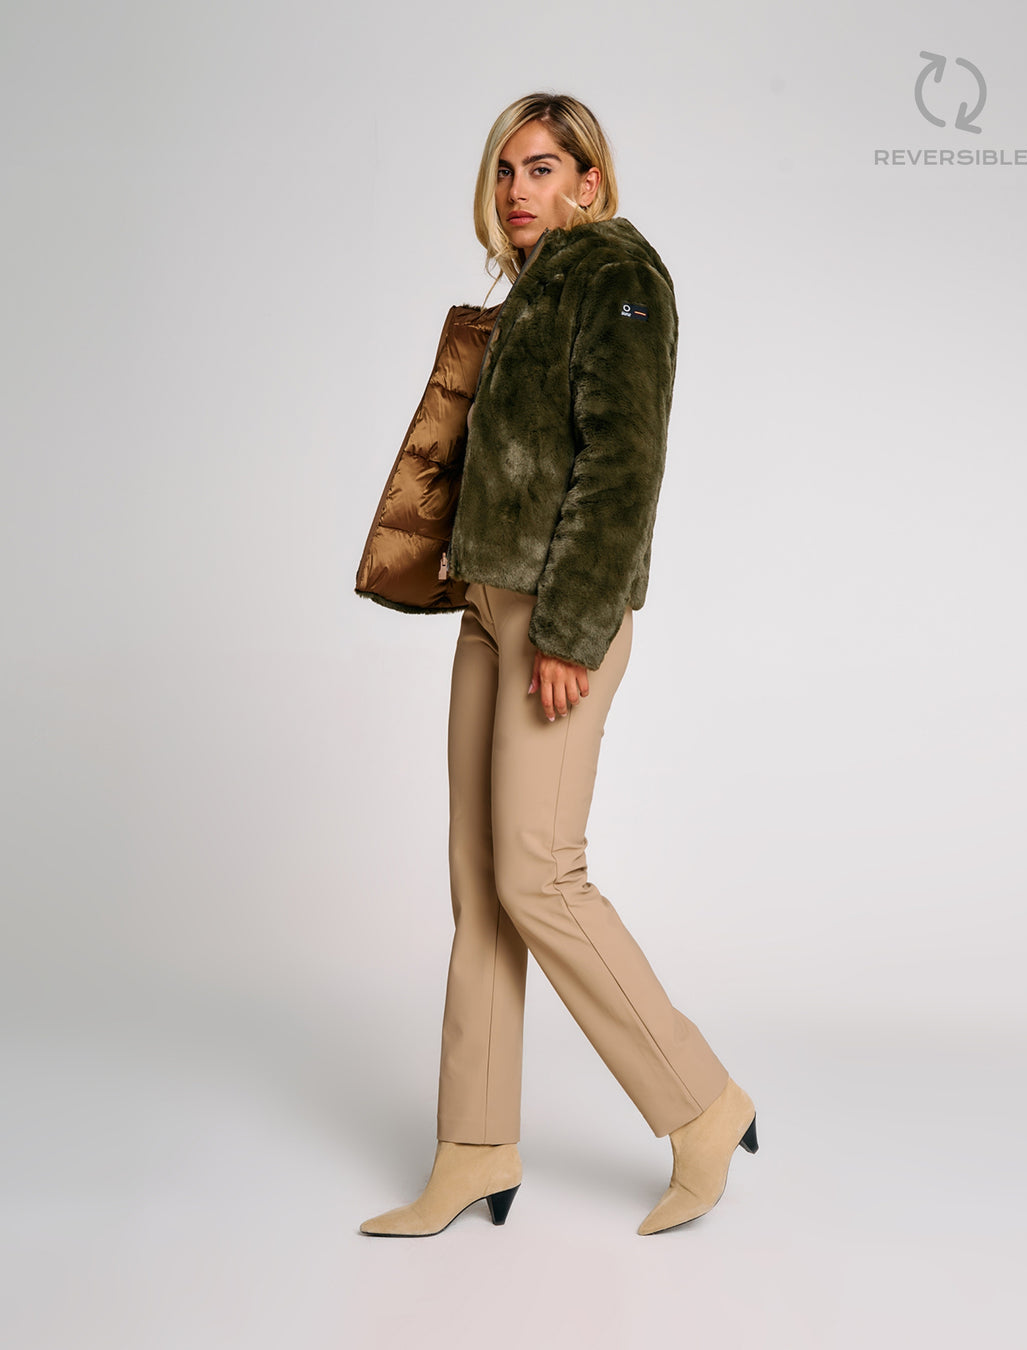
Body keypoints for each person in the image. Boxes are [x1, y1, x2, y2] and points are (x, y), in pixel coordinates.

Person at [358, 93, 757, 1238]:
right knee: (481, 876)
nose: (518, 189)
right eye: (505, 171)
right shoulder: (531, 289)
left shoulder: (618, 274)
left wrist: (571, 632)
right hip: (489, 606)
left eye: (541, 168)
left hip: (554, 618)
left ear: (590, 180)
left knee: (539, 875)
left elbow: (624, 465)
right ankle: (473, 1148)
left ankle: (702, 1106)